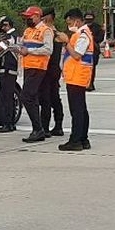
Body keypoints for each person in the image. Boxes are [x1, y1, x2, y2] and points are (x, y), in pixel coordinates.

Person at [59, 9, 95, 151]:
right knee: (81, 109)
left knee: (77, 110)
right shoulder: (81, 33)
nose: (69, 25)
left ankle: (76, 140)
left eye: (70, 22)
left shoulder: (83, 35)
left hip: (77, 75)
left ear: (77, 21)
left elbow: (77, 55)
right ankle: (83, 138)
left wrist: (66, 42)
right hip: (76, 75)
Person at [18, 5, 54, 142]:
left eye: (30, 17)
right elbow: (23, 45)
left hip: (38, 67)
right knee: (32, 97)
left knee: (26, 96)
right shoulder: (27, 30)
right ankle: (38, 129)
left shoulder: (46, 30)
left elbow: (48, 49)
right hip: (28, 67)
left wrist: (30, 52)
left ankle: (38, 129)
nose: (27, 19)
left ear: (38, 16)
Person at [39, 8, 66, 137]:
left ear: (49, 17)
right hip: (50, 68)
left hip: (50, 68)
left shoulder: (53, 34)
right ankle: (55, 126)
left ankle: (48, 126)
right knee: (51, 98)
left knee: (48, 98)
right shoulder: (52, 33)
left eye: (44, 17)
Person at [0, 16, 21, 133]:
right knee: (5, 96)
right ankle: (8, 123)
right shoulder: (8, 36)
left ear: (8, 25)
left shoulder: (12, 36)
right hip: (5, 69)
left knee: (7, 97)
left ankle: (8, 123)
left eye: (3, 26)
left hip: (9, 70)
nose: (2, 29)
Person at [85, 11, 105, 91]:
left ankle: (90, 84)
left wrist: (91, 38)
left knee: (92, 68)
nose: (88, 20)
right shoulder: (83, 27)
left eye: (90, 18)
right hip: (83, 50)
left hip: (94, 50)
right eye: (87, 18)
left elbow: (100, 38)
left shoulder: (97, 27)